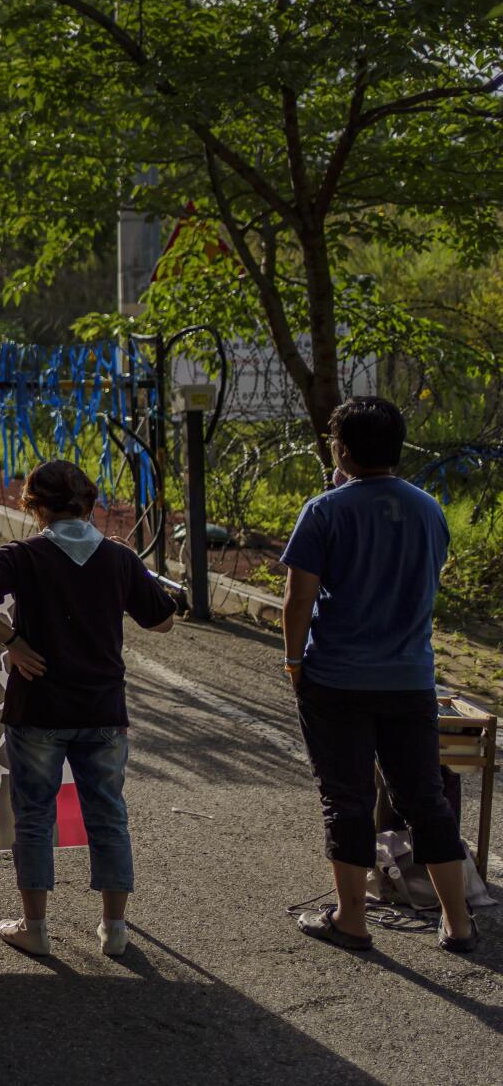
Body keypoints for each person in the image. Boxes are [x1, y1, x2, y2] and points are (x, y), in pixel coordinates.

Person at [0, 459, 176, 960]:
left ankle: (35, 927)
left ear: (36, 505)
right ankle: (114, 927)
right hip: (103, 708)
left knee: (34, 815)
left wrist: (13, 641)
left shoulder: (23, 555)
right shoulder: (118, 558)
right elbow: (162, 623)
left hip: (38, 707)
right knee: (109, 814)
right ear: (89, 504)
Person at [281, 397, 477, 954]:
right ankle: (458, 922)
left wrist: (294, 661)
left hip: (336, 678)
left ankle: (352, 920)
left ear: (340, 449)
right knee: (425, 798)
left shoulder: (324, 510)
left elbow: (298, 600)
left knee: (346, 796)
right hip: (410, 678)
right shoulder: (428, 509)